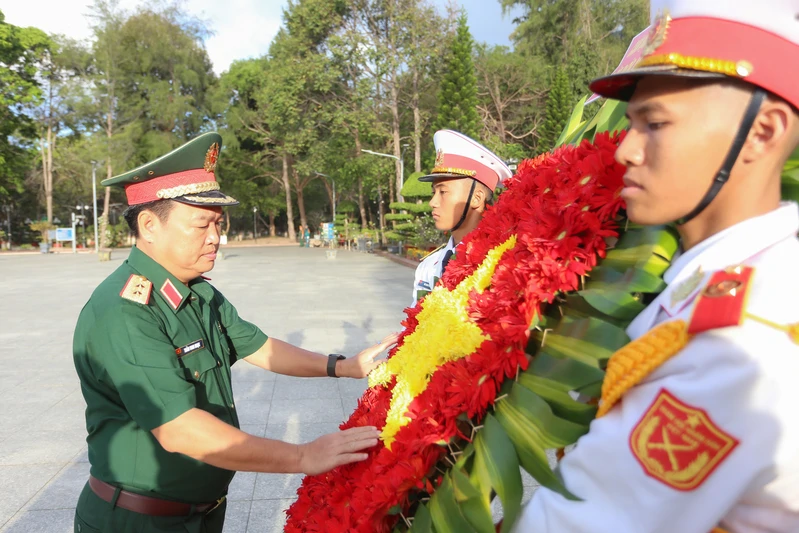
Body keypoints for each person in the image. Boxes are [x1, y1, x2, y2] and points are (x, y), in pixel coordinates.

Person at [512, 1, 799, 532]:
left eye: (656, 123)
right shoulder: (734, 281)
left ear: (763, 132)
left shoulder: (738, 342)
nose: (625, 150)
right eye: (631, 123)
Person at [72, 132, 398, 533]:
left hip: (198, 514)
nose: (215, 237)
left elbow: (259, 347)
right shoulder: (126, 311)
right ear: (149, 225)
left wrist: (344, 367)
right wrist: (302, 457)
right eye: (200, 224)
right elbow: (179, 429)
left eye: (217, 223)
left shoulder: (196, 291)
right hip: (138, 521)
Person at [411, 129, 512, 303]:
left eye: (443, 192)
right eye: (434, 192)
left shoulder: (502, 263)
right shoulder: (428, 266)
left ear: (476, 198)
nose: (433, 202)